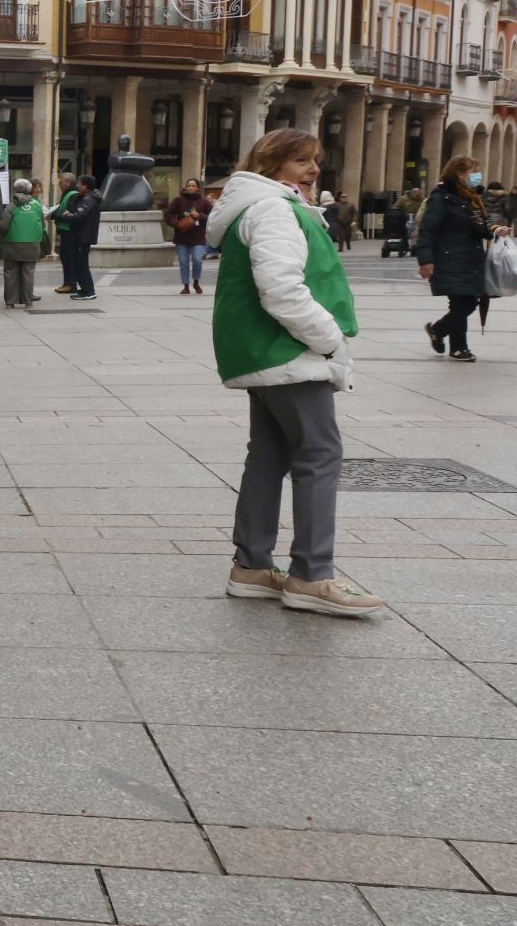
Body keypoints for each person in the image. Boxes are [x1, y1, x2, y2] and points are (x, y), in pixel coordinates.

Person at [207, 128, 380, 617]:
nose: (313, 169)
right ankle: (310, 575)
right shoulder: (274, 210)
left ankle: (253, 567)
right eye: (302, 160)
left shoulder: (256, 206)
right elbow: (281, 288)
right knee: (320, 455)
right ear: (273, 163)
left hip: (260, 353)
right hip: (289, 353)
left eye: (316, 160)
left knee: (268, 456)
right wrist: (327, 339)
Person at [418, 155, 512, 362]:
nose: (477, 176)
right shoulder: (441, 197)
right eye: (472, 172)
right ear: (458, 174)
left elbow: (478, 226)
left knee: (465, 302)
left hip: (470, 258)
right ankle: (451, 341)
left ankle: (445, 337)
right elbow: (427, 229)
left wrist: (496, 229)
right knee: (464, 302)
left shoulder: (471, 198)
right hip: (450, 257)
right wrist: (425, 259)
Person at [0, 177, 45, 309]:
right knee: (28, 272)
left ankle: (10, 302)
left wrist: (1, 235)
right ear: (29, 190)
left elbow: (4, 225)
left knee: (10, 272)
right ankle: (28, 301)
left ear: (15, 189)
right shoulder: (36, 204)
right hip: (32, 243)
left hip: (12, 243)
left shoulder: (11, 205)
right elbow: (42, 223)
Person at [164, 177, 212, 295]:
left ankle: (196, 282)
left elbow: (213, 217)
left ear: (197, 188)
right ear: (186, 187)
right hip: (182, 237)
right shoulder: (178, 200)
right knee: (183, 262)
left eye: (193, 185)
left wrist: (199, 216)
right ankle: (185, 285)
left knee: (197, 260)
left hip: (198, 237)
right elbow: (168, 214)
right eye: (189, 185)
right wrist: (177, 224)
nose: (190, 187)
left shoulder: (204, 202)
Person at [59, 174, 104, 300]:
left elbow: (78, 217)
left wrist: (67, 215)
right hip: (79, 236)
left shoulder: (89, 200)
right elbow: (75, 210)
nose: (77, 185)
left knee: (81, 264)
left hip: (83, 237)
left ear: (86, 186)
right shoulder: (84, 197)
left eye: (79, 183)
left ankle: (89, 291)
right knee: (78, 264)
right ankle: (85, 289)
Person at [49, 179, 81, 294]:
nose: (59, 184)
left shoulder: (72, 195)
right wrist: (54, 213)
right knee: (65, 257)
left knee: (68, 258)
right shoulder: (68, 194)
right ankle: (68, 283)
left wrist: (55, 215)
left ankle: (71, 284)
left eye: (61, 182)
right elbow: (62, 209)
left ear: (68, 182)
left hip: (69, 232)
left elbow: (69, 214)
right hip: (65, 231)